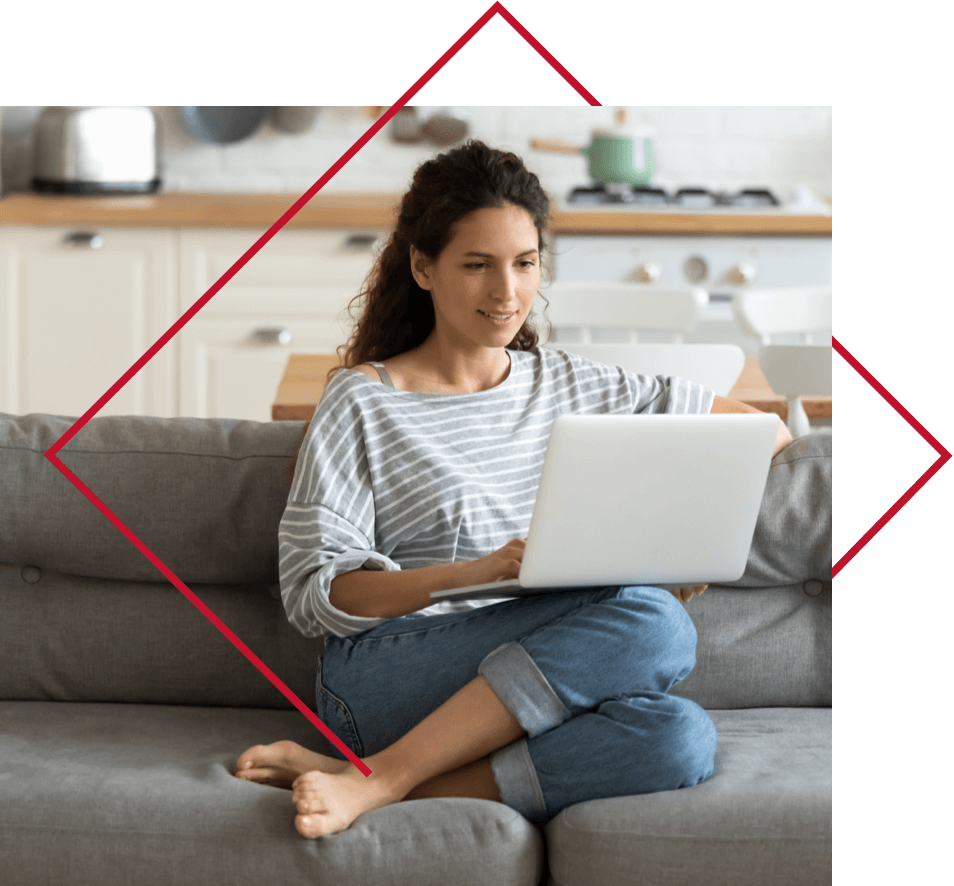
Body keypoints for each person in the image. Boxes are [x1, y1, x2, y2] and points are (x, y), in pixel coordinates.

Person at [234, 140, 793, 838]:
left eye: (525, 264)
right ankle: (386, 771)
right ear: (423, 267)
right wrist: (476, 572)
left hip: (544, 674)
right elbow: (318, 595)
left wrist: (678, 541)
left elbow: (763, 432)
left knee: (679, 739)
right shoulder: (364, 400)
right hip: (388, 677)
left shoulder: (571, 383)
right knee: (657, 624)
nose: (507, 293)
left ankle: (377, 783)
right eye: (478, 265)